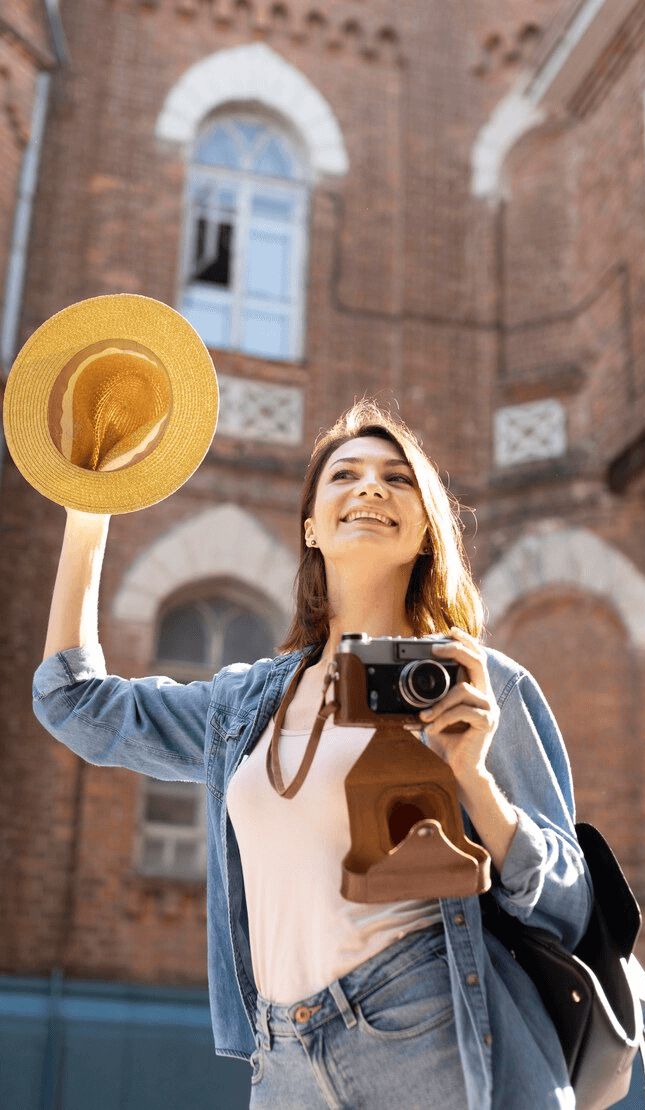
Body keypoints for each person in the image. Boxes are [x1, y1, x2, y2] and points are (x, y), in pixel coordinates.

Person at [33, 400, 592, 1110]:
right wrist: (89, 510)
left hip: (422, 1024)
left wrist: (473, 780)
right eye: (345, 475)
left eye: (397, 478)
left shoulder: (476, 681)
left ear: (425, 531)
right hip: (282, 1054)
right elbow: (74, 704)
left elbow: (567, 904)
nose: (371, 488)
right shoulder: (244, 706)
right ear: (310, 526)